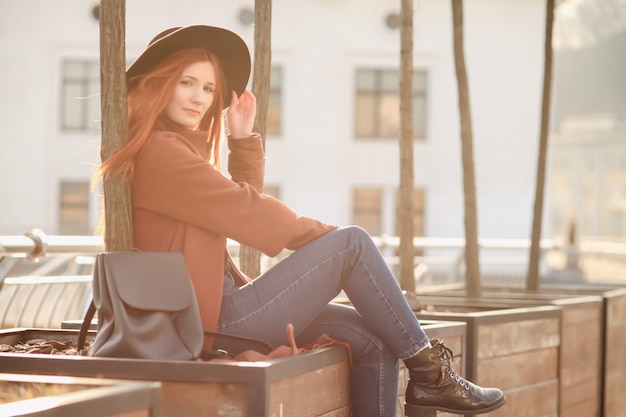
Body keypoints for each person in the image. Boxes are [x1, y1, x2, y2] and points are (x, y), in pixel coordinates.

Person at [97, 25, 506, 417]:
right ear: (159, 83)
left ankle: (427, 372)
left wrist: (241, 141)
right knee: (352, 243)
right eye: (187, 82)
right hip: (210, 322)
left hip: (217, 311)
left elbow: (238, 210)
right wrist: (341, 248)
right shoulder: (162, 154)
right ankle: (432, 373)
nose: (200, 97)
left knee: (374, 341)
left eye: (208, 87)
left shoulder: (175, 151)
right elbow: (252, 214)